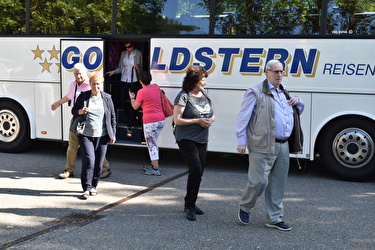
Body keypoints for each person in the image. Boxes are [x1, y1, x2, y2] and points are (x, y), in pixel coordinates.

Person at [236, 59, 305, 231]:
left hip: (283, 144)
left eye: (281, 72)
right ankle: (245, 206)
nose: (279, 75)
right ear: (266, 72)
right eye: (275, 71)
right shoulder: (255, 92)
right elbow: (243, 118)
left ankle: (274, 218)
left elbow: (293, 113)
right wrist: (241, 141)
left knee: (278, 184)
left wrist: (299, 102)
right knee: (258, 181)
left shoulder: (284, 93)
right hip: (261, 143)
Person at [51, 63, 112, 179]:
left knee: (94, 146)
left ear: (85, 73)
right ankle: (69, 170)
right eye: (75, 74)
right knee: (72, 145)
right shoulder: (73, 84)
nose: (78, 76)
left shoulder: (90, 85)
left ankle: (105, 169)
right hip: (76, 118)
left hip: (89, 120)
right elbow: (69, 97)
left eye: (80, 74)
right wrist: (58, 103)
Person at [173, 66, 215, 221]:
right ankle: (189, 206)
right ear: (194, 80)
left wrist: (210, 120)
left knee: (199, 172)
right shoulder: (183, 96)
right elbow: (177, 120)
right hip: (186, 138)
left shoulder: (204, 95)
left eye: (205, 78)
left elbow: (212, 114)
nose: (204, 81)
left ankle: (190, 202)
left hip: (202, 138)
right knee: (195, 169)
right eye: (202, 78)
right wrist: (197, 120)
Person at [72, 72, 116, 199]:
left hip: (102, 136)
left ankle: (93, 186)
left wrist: (113, 134)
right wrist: (80, 111)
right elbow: (74, 111)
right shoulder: (84, 96)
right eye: (93, 84)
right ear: (89, 84)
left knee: (98, 164)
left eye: (98, 84)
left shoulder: (107, 98)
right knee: (89, 161)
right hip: (86, 135)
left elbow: (112, 117)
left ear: (101, 85)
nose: (96, 87)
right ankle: (86, 188)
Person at [129, 71, 165, 176]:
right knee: (154, 142)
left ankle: (156, 168)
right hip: (160, 119)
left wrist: (132, 97)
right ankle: (153, 164)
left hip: (150, 121)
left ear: (140, 81)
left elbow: (135, 106)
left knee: (151, 144)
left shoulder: (142, 92)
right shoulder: (156, 87)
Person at [106, 41, 142, 137]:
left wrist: (137, 67)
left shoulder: (138, 53)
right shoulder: (123, 54)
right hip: (124, 79)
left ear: (133, 46)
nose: (127, 49)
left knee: (131, 102)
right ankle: (131, 119)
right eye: (126, 47)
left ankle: (130, 124)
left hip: (133, 80)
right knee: (122, 101)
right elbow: (121, 68)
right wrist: (114, 72)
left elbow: (141, 67)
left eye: (129, 46)